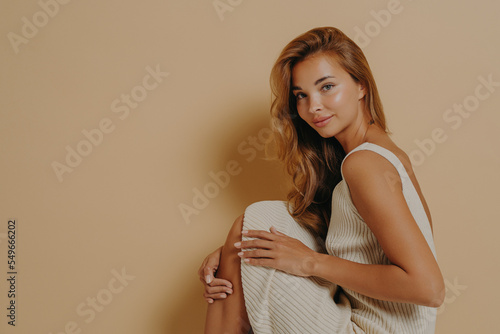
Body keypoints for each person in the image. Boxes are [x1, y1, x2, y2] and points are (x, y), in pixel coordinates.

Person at [198, 26, 445, 334]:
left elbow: (429, 288)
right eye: (301, 95)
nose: (312, 106)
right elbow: (352, 246)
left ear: (361, 86)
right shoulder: (375, 155)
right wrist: (233, 259)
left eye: (327, 87)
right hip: (353, 316)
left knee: (257, 218)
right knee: (248, 234)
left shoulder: (364, 163)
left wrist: (310, 263)